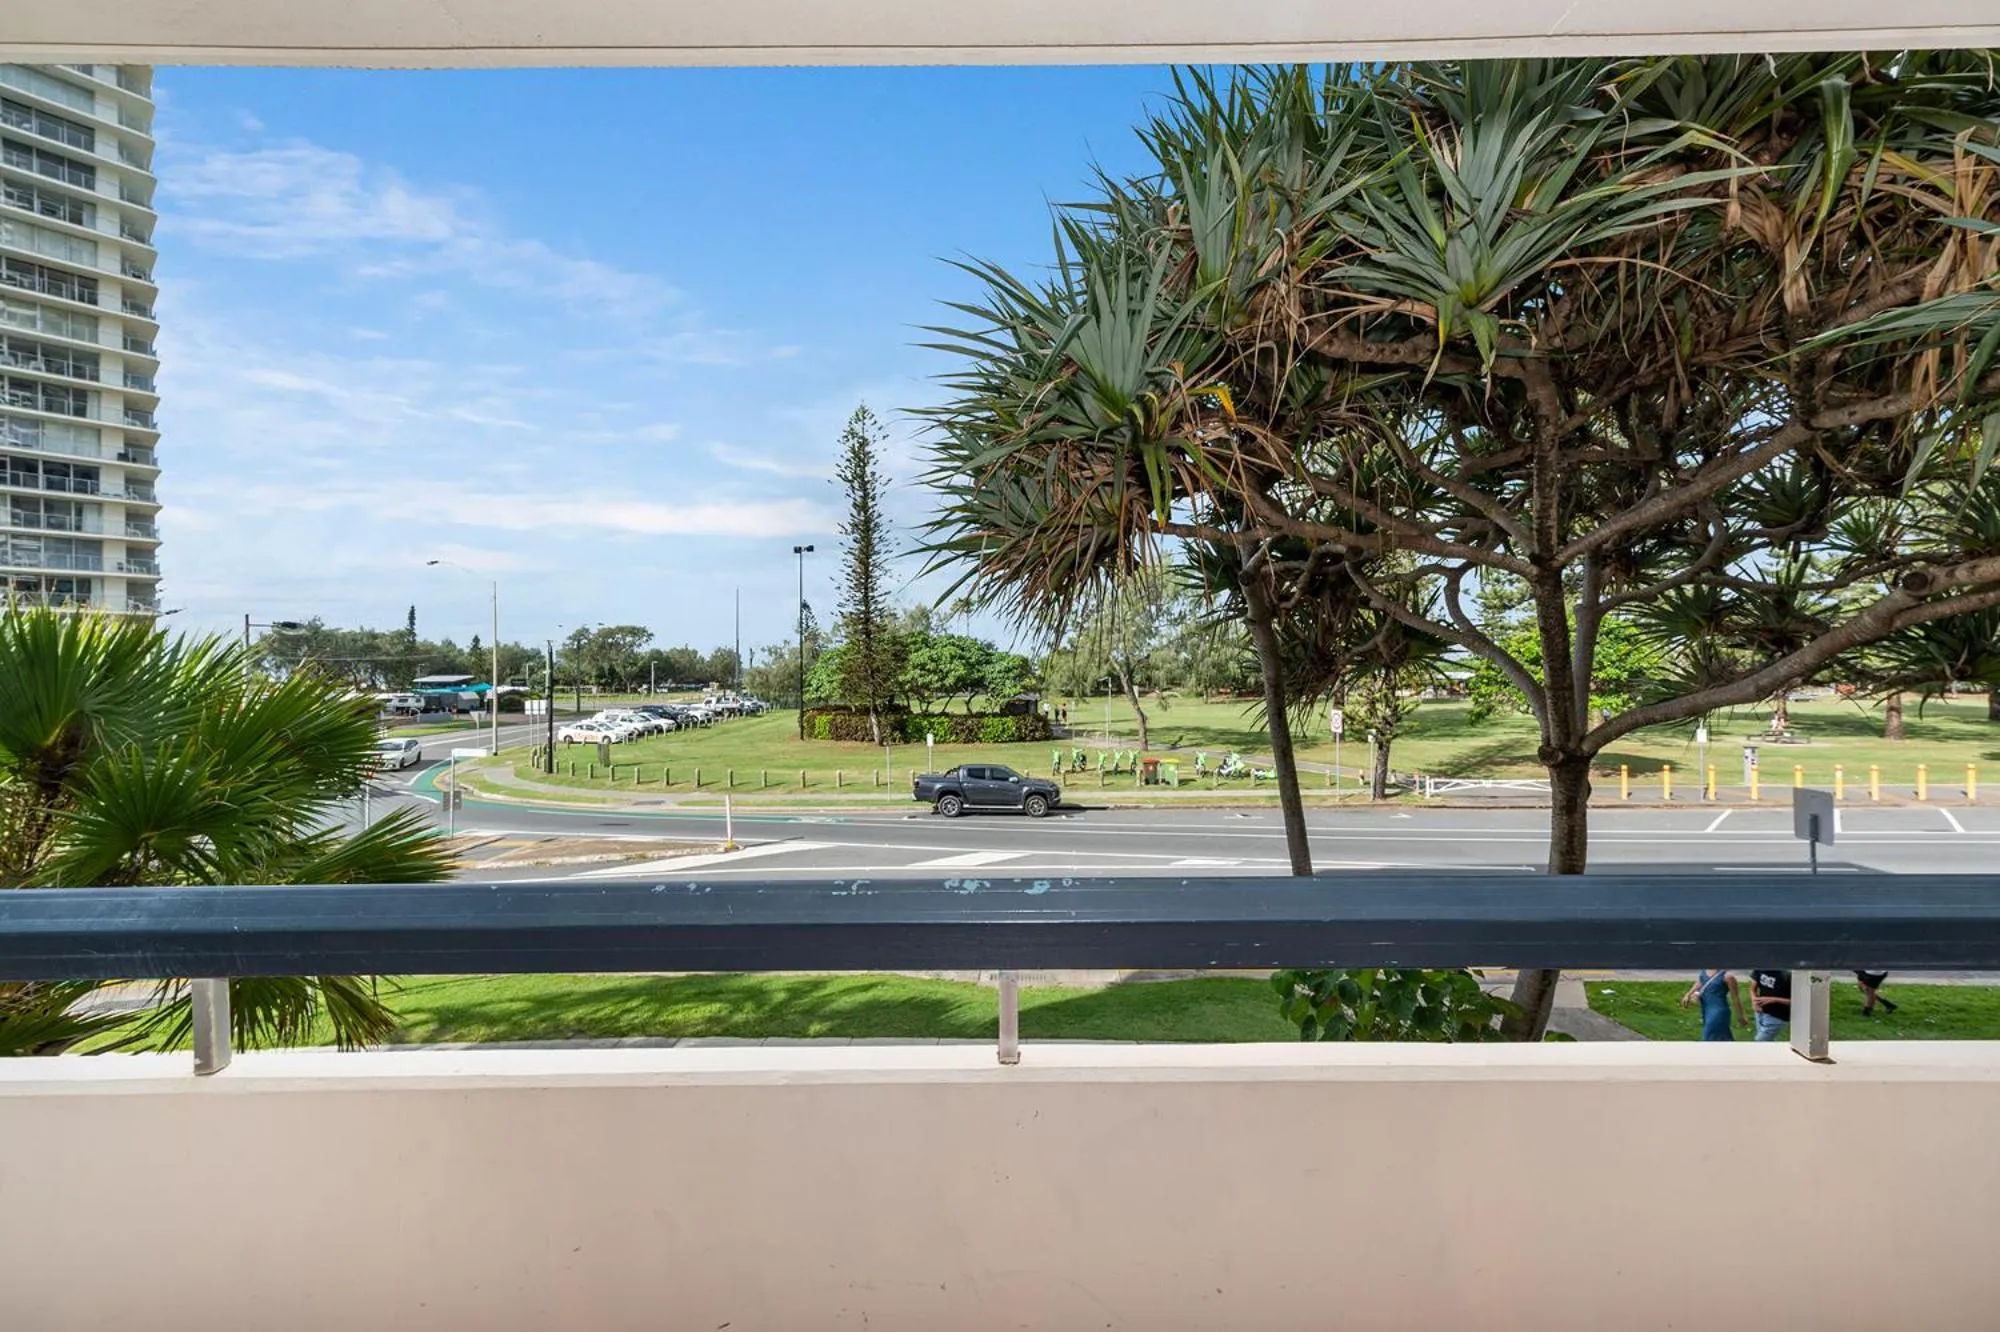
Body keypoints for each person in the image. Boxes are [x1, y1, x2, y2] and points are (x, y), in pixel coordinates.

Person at [1680, 967, 1749, 1041]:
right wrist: (1688, 994)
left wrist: (1740, 1016)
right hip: (1706, 1010)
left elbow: (1735, 998)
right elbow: (1700, 981)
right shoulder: (1705, 971)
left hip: (1718, 1012)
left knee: (1709, 1038)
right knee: (1722, 1039)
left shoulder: (1728, 976)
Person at [1750, 968, 1792, 1041]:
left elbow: (1799, 1001)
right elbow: (1752, 989)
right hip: (1760, 1012)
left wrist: (1774, 999)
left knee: (1760, 1041)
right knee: (1767, 1044)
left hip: (1778, 1015)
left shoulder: (1787, 974)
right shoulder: (1759, 969)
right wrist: (1754, 1002)